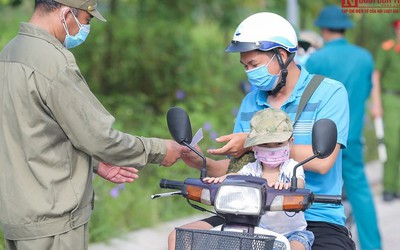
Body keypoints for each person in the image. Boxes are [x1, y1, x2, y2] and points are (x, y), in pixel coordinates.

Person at [0, 0, 186, 249]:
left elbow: (30, 130)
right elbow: (99, 137)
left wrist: (95, 163)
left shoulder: (9, 54)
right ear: (66, 13)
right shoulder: (54, 63)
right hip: (54, 223)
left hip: (17, 220)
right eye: (85, 22)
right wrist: (160, 150)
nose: (83, 31)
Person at [171, 12, 354, 250]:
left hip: (313, 216)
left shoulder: (329, 93)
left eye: (254, 65)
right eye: (245, 66)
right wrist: (200, 162)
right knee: (180, 239)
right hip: (250, 212)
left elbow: (323, 161)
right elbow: (240, 169)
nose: (249, 72)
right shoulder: (251, 102)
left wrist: (250, 141)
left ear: (282, 55)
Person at [305, 5, 381, 250]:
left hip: (321, 144)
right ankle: (372, 246)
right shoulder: (364, 58)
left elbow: (303, 99)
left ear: (324, 29)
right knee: (360, 193)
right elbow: (366, 92)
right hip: (354, 136)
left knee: (316, 196)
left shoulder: (317, 59)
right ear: (344, 28)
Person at [203, 108, 314, 250]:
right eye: (265, 145)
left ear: (290, 142)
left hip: (293, 233)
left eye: (278, 143)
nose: (272, 149)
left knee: (297, 247)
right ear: (253, 146)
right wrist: (220, 180)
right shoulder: (252, 169)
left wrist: (289, 187)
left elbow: (300, 183)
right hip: (259, 231)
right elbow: (236, 177)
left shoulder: (292, 167)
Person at [372, 18, 400, 202]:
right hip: (391, 99)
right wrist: (377, 103)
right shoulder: (388, 49)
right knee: (392, 143)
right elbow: (376, 75)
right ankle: (389, 187)